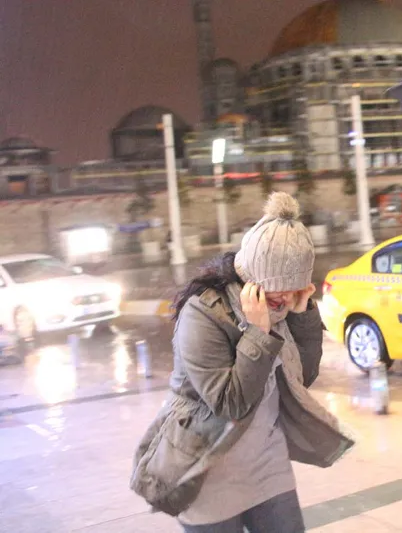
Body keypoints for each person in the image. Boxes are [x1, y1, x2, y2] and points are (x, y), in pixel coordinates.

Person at [130, 192, 354, 533]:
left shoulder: (283, 307)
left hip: (268, 468)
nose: (285, 298)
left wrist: (304, 314)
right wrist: (258, 331)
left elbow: (302, 378)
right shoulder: (202, 314)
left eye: (294, 288)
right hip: (208, 467)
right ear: (250, 275)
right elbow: (229, 403)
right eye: (277, 289)